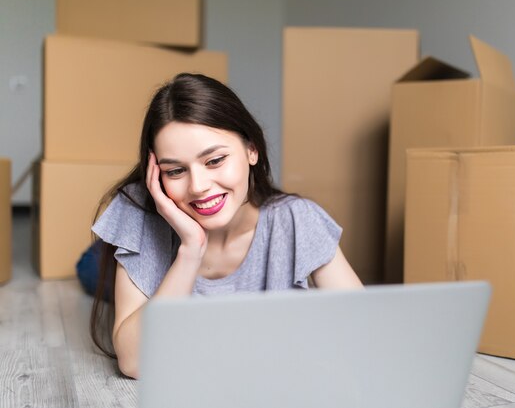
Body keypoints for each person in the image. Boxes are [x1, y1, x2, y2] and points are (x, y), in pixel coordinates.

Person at [89, 73, 363, 379]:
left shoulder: (298, 219)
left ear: (251, 149)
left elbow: (363, 332)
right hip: (148, 237)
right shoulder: (138, 209)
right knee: (90, 269)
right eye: (176, 170)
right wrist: (191, 248)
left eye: (215, 160)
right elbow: (134, 362)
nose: (198, 186)